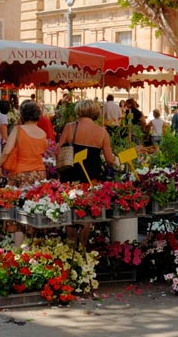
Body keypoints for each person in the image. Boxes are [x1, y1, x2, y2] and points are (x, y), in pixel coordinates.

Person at [56, 99, 115, 246]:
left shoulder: (70, 128)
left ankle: (70, 246)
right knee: (86, 212)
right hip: (91, 177)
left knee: (69, 210)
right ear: (95, 113)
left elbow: (58, 150)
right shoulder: (102, 132)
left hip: (70, 174)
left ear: (78, 111)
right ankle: (82, 247)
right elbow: (109, 160)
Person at [0, 101, 48, 245]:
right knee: (35, 209)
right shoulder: (42, 133)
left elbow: (7, 150)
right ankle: (34, 246)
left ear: (22, 115)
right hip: (39, 174)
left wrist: (0, 164)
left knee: (19, 211)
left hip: (21, 174)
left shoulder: (18, 130)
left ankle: (18, 248)